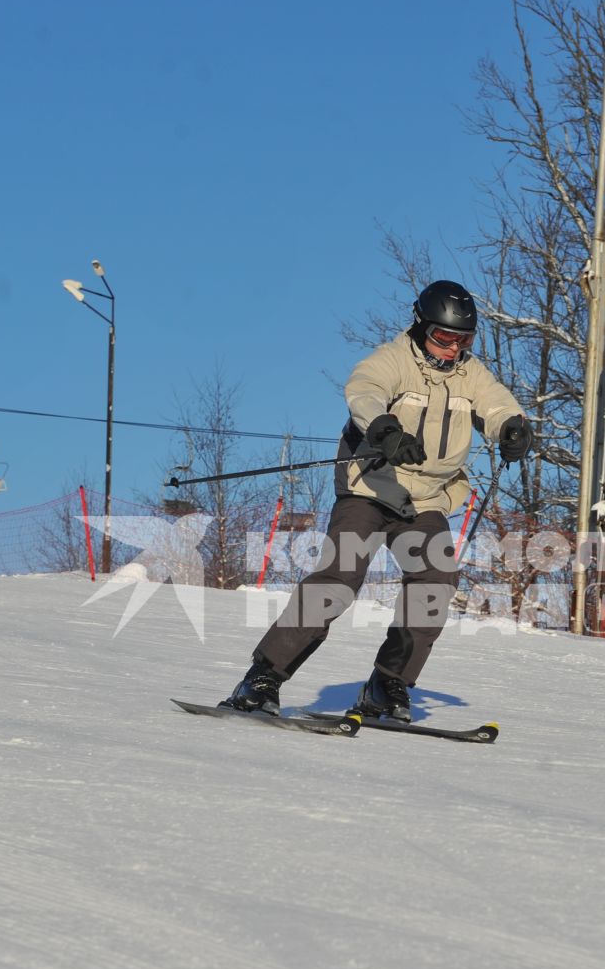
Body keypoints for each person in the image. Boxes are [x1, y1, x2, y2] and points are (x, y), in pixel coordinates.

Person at [222, 279, 534, 722]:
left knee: (435, 583)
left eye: (463, 339)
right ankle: (263, 677)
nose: (452, 348)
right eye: (442, 337)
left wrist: (513, 428)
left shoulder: (471, 374)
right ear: (421, 326)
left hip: (424, 500)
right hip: (370, 488)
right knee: (339, 578)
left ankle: (387, 685)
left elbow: (499, 406)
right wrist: (385, 429)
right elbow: (363, 391)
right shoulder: (392, 360)